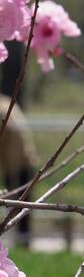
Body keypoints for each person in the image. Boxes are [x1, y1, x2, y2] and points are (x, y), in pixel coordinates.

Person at [0, 94, 37, 248]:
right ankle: (23, 243)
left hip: (18, 163)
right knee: (21, 206)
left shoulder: (2, 106)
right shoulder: (5, 102)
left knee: (20, 207)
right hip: (18, 161)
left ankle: (23, 243)